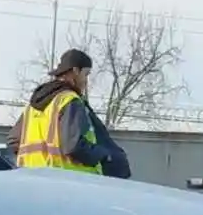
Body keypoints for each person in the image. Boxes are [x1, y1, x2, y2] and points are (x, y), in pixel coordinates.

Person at [13, 49, 131, 178]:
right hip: (68, 181)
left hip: (33, 179)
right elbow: (73, 146)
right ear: (75, 71)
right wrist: (103, 155)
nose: (86, 81)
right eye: (86, 74)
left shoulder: (32, 106)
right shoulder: (69, 100)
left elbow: (13, 141)